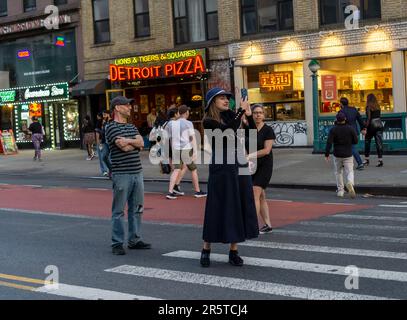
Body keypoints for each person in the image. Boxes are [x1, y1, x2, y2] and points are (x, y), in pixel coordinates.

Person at [200, 87, 259, 268]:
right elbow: (225, 133)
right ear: (212, 102)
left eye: (227, 98)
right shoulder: (209, 121)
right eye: (222, 98)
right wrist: (240, 112)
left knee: (239, 203)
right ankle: (206, 249)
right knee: (216, 204)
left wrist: (247, 115)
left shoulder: (231, 115)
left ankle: (234, 251)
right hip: (221, 164)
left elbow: (252, 133)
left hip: (239, 161)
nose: (226, 100)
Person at [105, 96, 151, 255]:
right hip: (122, 173)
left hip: (137, 172)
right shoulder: (110, 127)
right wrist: (134, 143)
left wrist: (129, 141)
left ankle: (134, 240)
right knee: (118, 210)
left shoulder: (132, 126)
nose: (130, 108)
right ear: (117, 108)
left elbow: (142, 143)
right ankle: (117, 243)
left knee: (137, 208)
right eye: (126, 105)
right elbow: (122, 147)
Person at [166, 105, 207, 200]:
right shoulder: (188, 123)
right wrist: (195, 151)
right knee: (193, 169)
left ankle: (170, 192)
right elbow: (192, 138)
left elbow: (170, 138)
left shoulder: (171, 124)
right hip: (186, 149)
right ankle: (197, 191)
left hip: (176, 149)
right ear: (186, 113)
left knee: (176, 170)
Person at [246, 105, 276, 234]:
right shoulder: (248, 129)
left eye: (260, 113)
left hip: (264, 165)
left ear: (264, 115)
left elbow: (266, 150)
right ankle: (268, 224)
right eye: (255, 113)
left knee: (255, 193)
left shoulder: (268, 130)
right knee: (261, 196)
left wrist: (249, 155)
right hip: (251, 166)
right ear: (251, 115)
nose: (258, 115)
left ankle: (252, 226)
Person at [325, 111, 358, 198]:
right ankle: (350, 183)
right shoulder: (350, 128)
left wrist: (327, 154)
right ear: (345, 119)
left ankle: (340, 190)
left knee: (338, 172)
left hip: (337, 154)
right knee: (350, 171)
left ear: (337, 120)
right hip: (348, 153)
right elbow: (356, 141)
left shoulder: (333, 129)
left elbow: (329, 142)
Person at [339, 97, 366, 170]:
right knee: (349, 147)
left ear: (341, 104)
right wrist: (363, 128)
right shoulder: (354, 109)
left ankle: (360, 163)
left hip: (345, 132)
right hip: (354, 131)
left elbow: (339, 122)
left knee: (350, 147)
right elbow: (360, 119)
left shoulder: (341, 111)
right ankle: (346, 163)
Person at [363, 93, 384, 167]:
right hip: (379, 124)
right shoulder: (378, 106)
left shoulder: (368, 107)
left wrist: (365, 127)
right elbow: (378, 115)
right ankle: (380, 160)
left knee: (367, 141)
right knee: (379, 143)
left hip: (372, 125)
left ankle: (366, 160)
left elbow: (368, 118)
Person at [95, 111, 112, 177]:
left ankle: (110, 170)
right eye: (103, 115)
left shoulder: (110, 122)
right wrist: (99, 144)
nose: (104, 116)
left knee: (109, 157)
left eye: (105, 114)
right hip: (103, 142)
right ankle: (105, 170)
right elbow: (98, 134)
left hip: (109, 142)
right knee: (103, 157)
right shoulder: (100, 123)